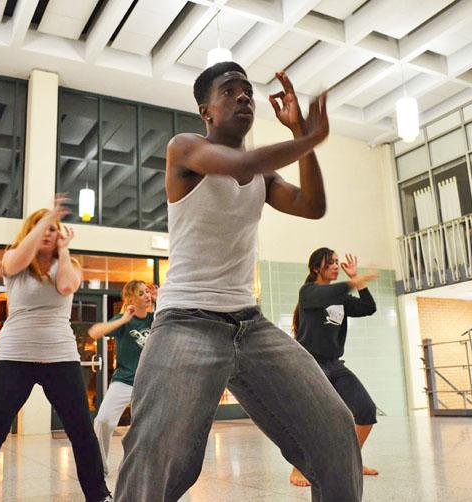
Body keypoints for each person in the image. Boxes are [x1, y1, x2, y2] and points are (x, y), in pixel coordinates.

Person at [114, 62, 364, 502]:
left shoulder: (264, 177)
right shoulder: (185, 148)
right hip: (184, 322)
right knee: (156, 453)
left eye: (248, 91)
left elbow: (312, 206)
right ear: (206, 111)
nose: (244, 97)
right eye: (230, 91)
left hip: (250, 324)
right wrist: (305, 138)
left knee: (335, 430)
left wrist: (304, 144)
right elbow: (241, 161)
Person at [0, 196, 112, 502]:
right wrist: (47, 216)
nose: (48, 233)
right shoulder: (15, 262)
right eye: (41, 227)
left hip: (60, 356)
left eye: (54, 229)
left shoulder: (69, 265)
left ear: (61, 235)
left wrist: (64, 250)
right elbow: (16, 259)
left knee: (82, 433)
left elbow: (66, 287)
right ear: (32, 229)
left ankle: (99, 496)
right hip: (14, 356)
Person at [290, 248, 379, 487]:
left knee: (366, 410)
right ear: (316, 268)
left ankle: (352, 461)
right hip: (310, 364)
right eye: (330, 262)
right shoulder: (308, 292)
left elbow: (368, 308)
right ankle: (298, 468)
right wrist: (353, 281)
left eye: (337, 262)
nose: (335, 266)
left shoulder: (340, 295)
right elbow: (328, 292)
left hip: (334, 365)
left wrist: (359, 284)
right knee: (311, 418)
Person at [89, 280, 157, 475]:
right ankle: (99, 467)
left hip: (150, 382)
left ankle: (147, 468)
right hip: (124, 380)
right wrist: (123, 319)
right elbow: (95, 332)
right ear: (131, 299)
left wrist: (160, 299)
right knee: (103, 421)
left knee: (150, 428)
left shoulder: (157, 318)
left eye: (148, 293)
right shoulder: (123, 320)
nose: (147, 296)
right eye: (142, 293)